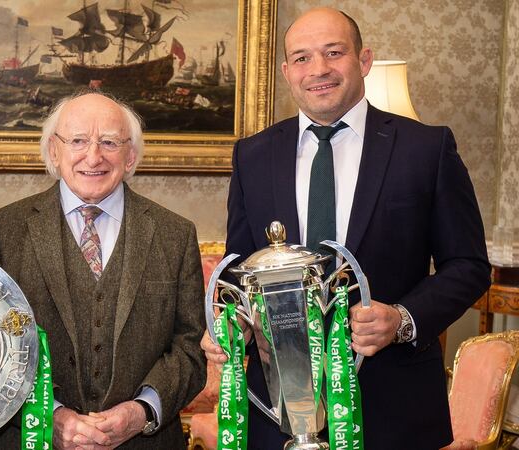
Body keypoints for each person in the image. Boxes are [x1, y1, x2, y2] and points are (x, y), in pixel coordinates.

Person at [201, 7, 490, 450]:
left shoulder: (426, 148)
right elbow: (238, 267)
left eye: (333, 53)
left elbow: (468, 265)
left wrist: (403, 319)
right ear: (286, 71)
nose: (318, 69)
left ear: (364, 60)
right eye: (301, 58)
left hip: (393, 404)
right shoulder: (253, 156)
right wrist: (230, 320)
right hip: (276, 405)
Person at [0, 91, 206, 449]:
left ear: (130, 156)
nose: (93, 156)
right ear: (54, 150)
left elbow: (190, 347)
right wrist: (47, 415)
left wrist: (142, 411)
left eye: (109, 142)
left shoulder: (175, 234)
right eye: (78, 141)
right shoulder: (0, 232)